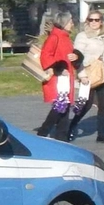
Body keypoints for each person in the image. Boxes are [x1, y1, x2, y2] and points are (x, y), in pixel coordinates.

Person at [68, 12, 104, 143]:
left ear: (101, 21)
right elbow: (77, 57)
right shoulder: (82, 37)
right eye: (91, 20)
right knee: (85, 105)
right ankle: (70, 127)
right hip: (88, 75)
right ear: (87, 21)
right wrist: (81, 75)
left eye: (97, 20)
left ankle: (101, 135)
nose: (94, 22)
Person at [34, 11, 79, 139]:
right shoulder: (55, 37)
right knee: (60, 106)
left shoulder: (64, 37)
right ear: (63, 23)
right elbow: (46, 56)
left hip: (65, 77)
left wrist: (76, 57)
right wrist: (59, 68)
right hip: (58, 78)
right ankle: (43, 132)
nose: (72, 24)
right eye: (70, 21)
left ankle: (61, 136)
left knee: (64, 107)